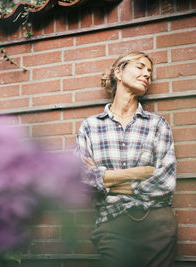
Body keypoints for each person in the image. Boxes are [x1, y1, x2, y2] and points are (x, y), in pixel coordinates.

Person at [76, 51, 177, 267]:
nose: (147, 74)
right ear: (118, 72)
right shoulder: (90, 127)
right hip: (112, 222)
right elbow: (83, 182)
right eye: (140, 67)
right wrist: (139, 173)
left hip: (157, 223)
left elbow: (165, 183)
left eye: (150, 71)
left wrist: (106, 181)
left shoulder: (157, 125)